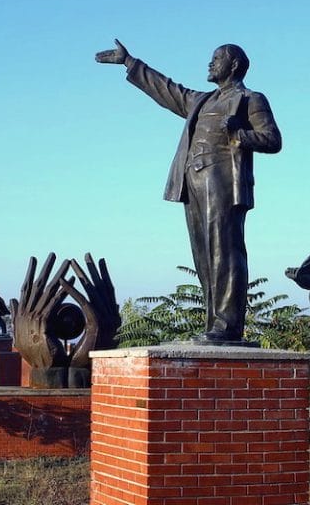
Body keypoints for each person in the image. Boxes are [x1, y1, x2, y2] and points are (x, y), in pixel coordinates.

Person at [96, 40, 281, 343]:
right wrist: (131, 63)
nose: (210, 63)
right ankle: (214, 323)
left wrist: (239, 131)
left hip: (222, 181)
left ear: (234, 64)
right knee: (204, 256)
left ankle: (228, 325)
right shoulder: (201, 100)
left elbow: (272, 140)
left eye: (216, 58)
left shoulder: (250, 99)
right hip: (192, 181)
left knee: (225, 252)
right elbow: (167, 89)